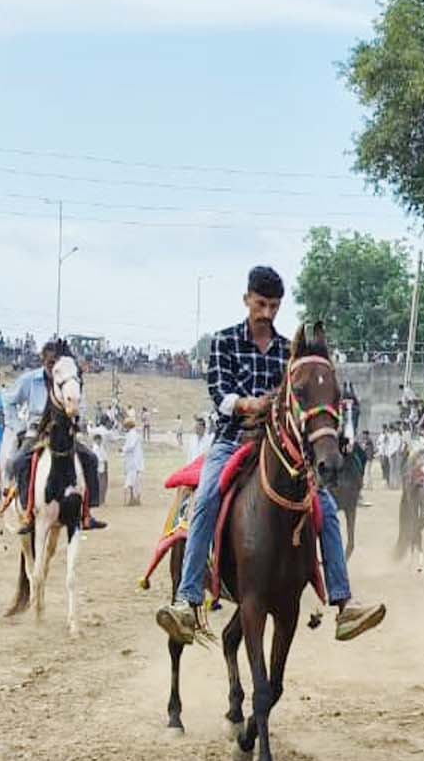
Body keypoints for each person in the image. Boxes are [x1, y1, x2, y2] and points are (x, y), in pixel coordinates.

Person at [155, 265, 385, 644]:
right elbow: (220, 395)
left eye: (274, 306)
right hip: (231, 440)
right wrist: (247, 402)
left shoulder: (286, 353)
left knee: (325, 508)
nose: (266, 313)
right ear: (247, 300)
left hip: (277, 447)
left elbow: (299, 402)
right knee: (207, 496)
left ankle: (344, 603)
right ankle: (188, 598)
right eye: (260, 304)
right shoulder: (225, 342)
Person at [5, 340, 106, 532]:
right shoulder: (30, 380)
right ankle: (28, 513)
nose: (53, 367)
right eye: (50, 362)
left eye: (56, 363)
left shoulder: (69, 381)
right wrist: (17, 426)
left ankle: (87, 512)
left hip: (63, 432)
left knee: (91, 459)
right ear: (43, 361)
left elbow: (78, 405)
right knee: (18, 461)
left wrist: (78, 421)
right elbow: (9, 401)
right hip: (37, 431)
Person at [121, 416, 145, 506]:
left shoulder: (133, 434)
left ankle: (134, 499)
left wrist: (122, 449)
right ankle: (133, 499)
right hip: (133, 461)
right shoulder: (131, 434)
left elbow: (130, 446)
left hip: (134, 462)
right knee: (134, 482)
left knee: (133, 481)